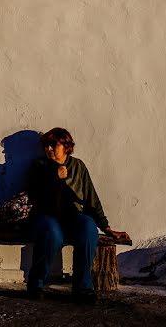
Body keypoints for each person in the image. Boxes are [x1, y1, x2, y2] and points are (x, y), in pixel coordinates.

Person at [25, 127, 129, 303]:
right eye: (46, 146)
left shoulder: (78, 166)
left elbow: (91, 198)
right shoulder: (39, 166)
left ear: (66, 146)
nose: (48, 149)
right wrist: (54, 177)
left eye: (53, 145)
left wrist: (106, 227)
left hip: (72, 217)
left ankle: (82, 287)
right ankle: (36, 283)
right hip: (46, 216)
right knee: (53, 234)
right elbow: (34, 196)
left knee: (89, 228)